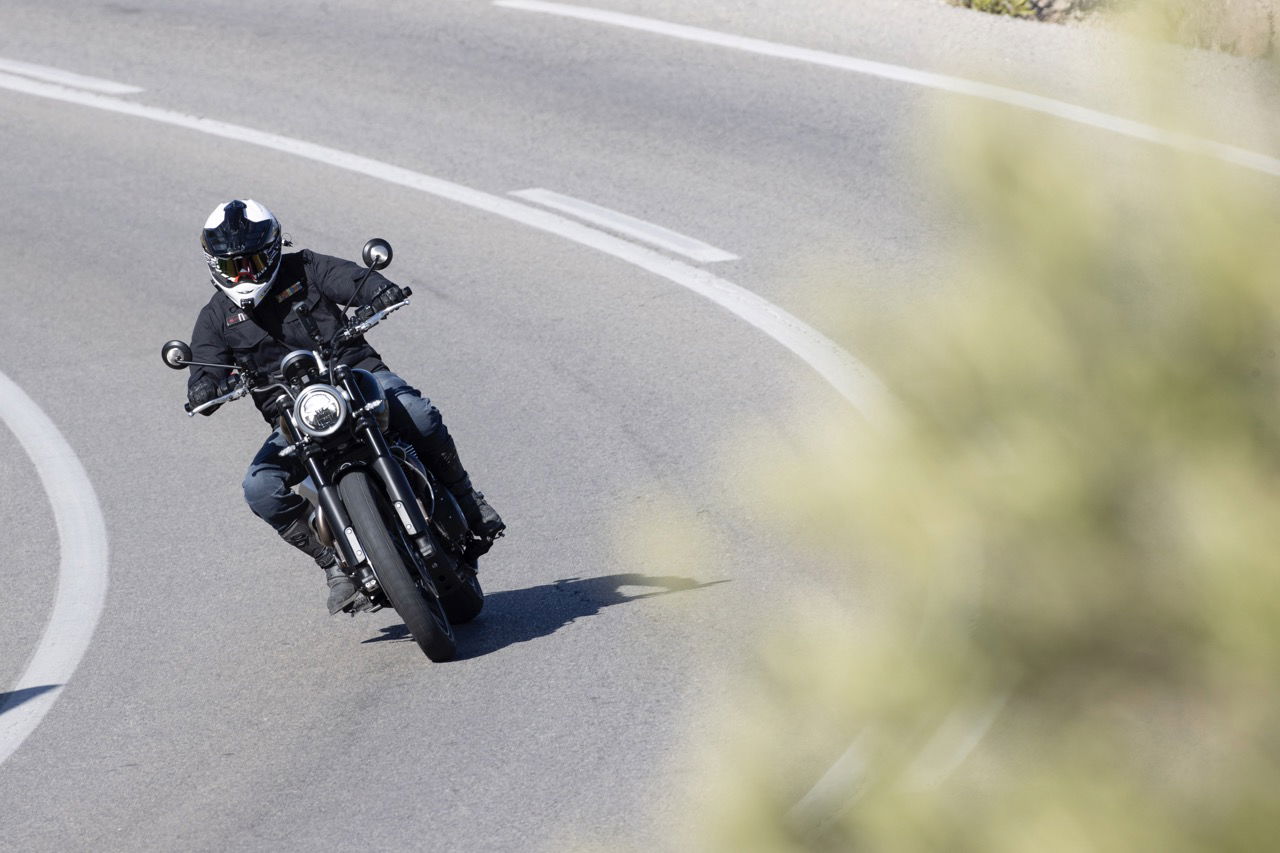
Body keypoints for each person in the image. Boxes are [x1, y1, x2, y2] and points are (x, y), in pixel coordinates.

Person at [185, 199, 504, 614]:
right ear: (215, 267)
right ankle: (333, 564)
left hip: (357, 379)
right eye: (233, 268)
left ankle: (468, 499)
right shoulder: (215, 318)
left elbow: (357, 281)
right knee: (258, 488)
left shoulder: (307, 268)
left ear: (274, 248)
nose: (245, 275)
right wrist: (203, 390)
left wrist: (379, 293)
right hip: (295, 418)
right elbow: (203, 373)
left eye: (253, 262)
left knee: (418, 412)